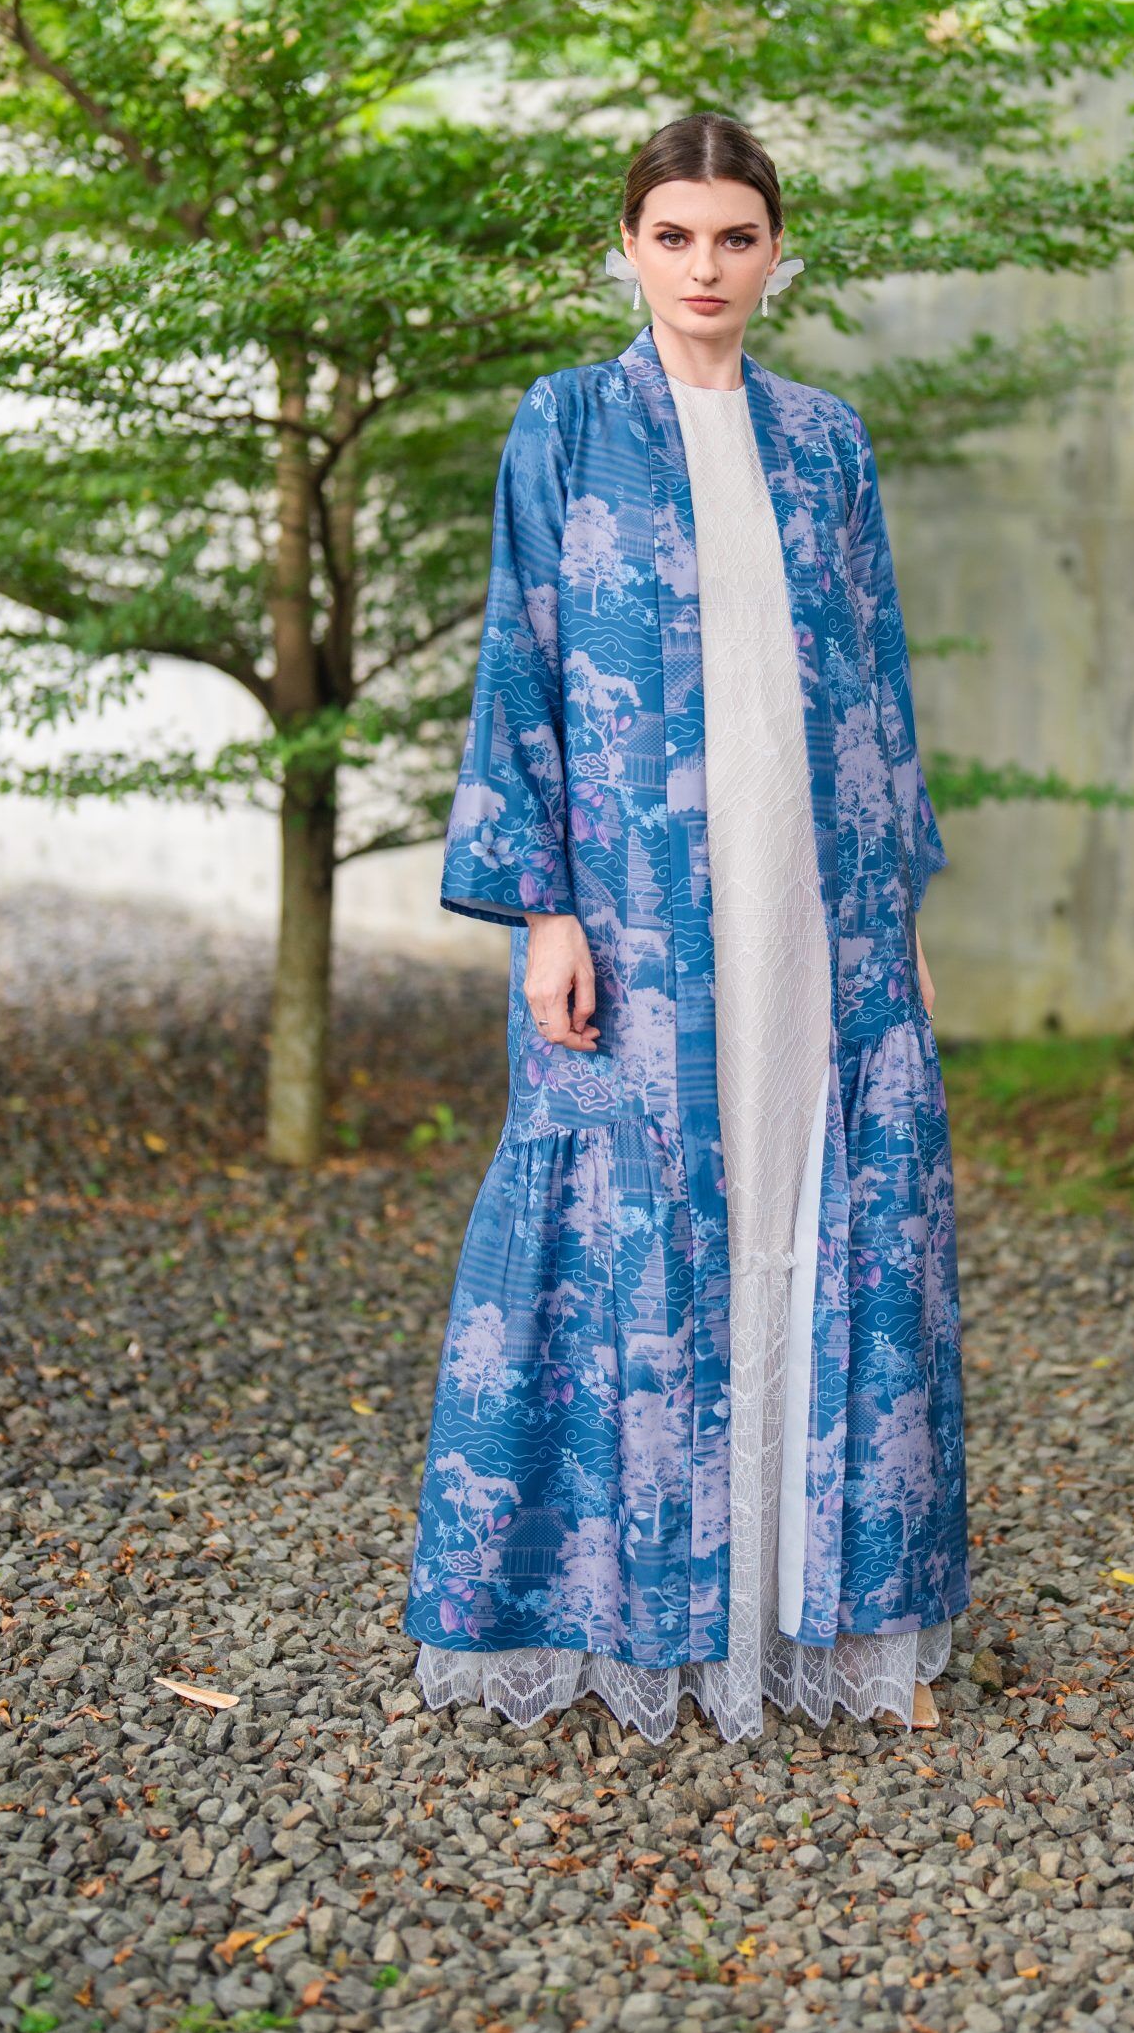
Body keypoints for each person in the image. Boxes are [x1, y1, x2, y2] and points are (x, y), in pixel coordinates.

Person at [402, 110, 969, 1743]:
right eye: (674, 237)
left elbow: (875, 689)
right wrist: (544, 910)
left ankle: (821, 1616)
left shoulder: (827, 443)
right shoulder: (568, 424)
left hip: (813, 894)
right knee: (636, 1213)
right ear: (629, 248)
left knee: (816, 1201)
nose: (705, 267)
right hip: (640, 907)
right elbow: (523, 664)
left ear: (776, 251)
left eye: (735, 236)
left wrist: (893, 912)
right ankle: (636, 1621)